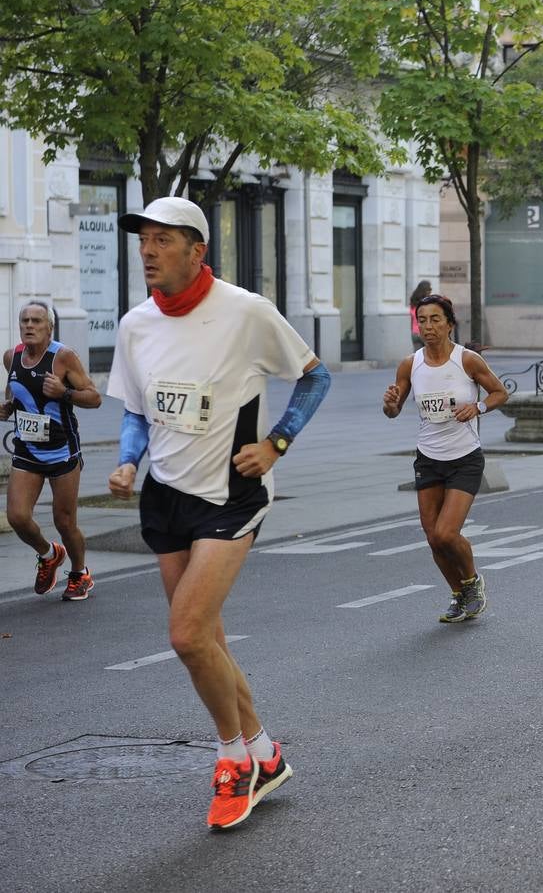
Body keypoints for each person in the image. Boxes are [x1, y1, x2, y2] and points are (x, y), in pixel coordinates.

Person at [107, 196, 332, 830]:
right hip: (166, 496)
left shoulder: (245, 312)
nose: (148, 250)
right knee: (209, 639)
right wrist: (128, 461)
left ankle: (234, 759)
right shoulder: (136, 325)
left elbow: (314, 378)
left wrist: (276, 442)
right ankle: (264, 748)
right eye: (143, 239)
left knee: (186, 635)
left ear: (197, 249)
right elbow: (134, 410)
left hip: (230, 494)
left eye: (162, 240)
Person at [383, 294, 509, 618]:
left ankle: (472, 582)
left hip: (465, 457)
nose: (428, 326)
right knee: (432, 538)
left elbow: (500, 392)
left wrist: (478, 406)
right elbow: (393, 410)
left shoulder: (466, 360)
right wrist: (390, 403)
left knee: (445, 533)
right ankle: (457, 594)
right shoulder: (411, 364)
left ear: (450, 324)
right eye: (422, 320)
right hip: (428, 457)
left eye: (435, 319)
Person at [1, 301, 102, 599]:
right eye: (25, 321)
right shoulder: (12, 357)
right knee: (17, 517)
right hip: (27, 450)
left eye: (36, 321)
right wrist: (8, 406)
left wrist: (65, 393)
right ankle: (49, 555)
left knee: (64, 520)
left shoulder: (64, 357)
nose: (29, 326)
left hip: (62, 452)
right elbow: (16, 389)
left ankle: (79, 573)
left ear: (50, 327)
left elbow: (94, 398)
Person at [409, 280, 432, 349]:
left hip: (414, 333)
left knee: (417, 357)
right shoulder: (426, 303)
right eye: (430, 289)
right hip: (425, 333)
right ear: (426, 291)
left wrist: (413, 331)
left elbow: (412, 319)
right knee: (430, 357)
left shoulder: (413, 303)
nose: (431, 291)